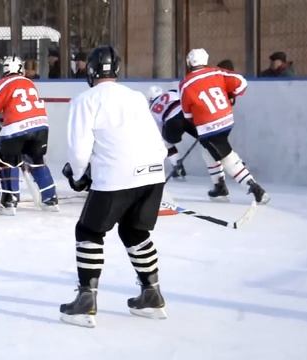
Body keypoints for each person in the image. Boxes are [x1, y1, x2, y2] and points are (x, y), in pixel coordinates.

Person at [59, 46, 168, 328]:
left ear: (92, 71)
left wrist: (79, 175)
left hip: (116, 177)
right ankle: (152, 294)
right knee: (135, 231)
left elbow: (78, 150)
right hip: (154, 173)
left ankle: (85, 300)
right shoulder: (135, 97)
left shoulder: (86, 100)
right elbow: (156, 141)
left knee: (88, 230)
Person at [180, 48, 269, 204]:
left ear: (189, 63)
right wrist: (230, 94)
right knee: (207, 152)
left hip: (208, 127)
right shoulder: (217, 72)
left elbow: (187, 115)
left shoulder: (185, 83)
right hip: (226, 120)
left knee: (227, 158)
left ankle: (256, 190)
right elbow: (241, 83)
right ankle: (219, 187)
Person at [0, 56, 58, 215]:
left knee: (5, 160)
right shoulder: (29, 82)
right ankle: (50, 199)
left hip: (16, 129)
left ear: (4, 70)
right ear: (21, 69)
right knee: (36, 161)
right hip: (41, 127)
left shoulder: (3, 83)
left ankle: (9, 201)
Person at [146, 85, 198, 180]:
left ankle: (178, 167)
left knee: (166, 143)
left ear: (150, 99)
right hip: (186, 114)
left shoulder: (151, 110)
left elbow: (159, 129)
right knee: (204, 135)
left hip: (172, 122)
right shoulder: (172, 92)